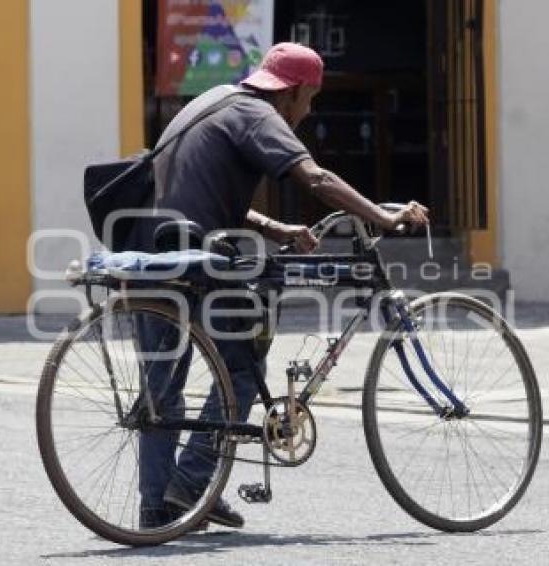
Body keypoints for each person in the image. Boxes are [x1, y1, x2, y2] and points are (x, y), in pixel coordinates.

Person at [136, 42, 429, 530]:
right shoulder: (257, 113)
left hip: (148, 247)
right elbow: (315, 177)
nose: (308, 111)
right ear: (291, 92)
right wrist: (383, 215)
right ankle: (192, 484)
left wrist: (276, 229)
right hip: (197, 257)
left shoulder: (212, 102)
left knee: (161, 388)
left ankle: (159, 510)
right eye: (310, 99)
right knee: (242, 369)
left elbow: (194, 193)